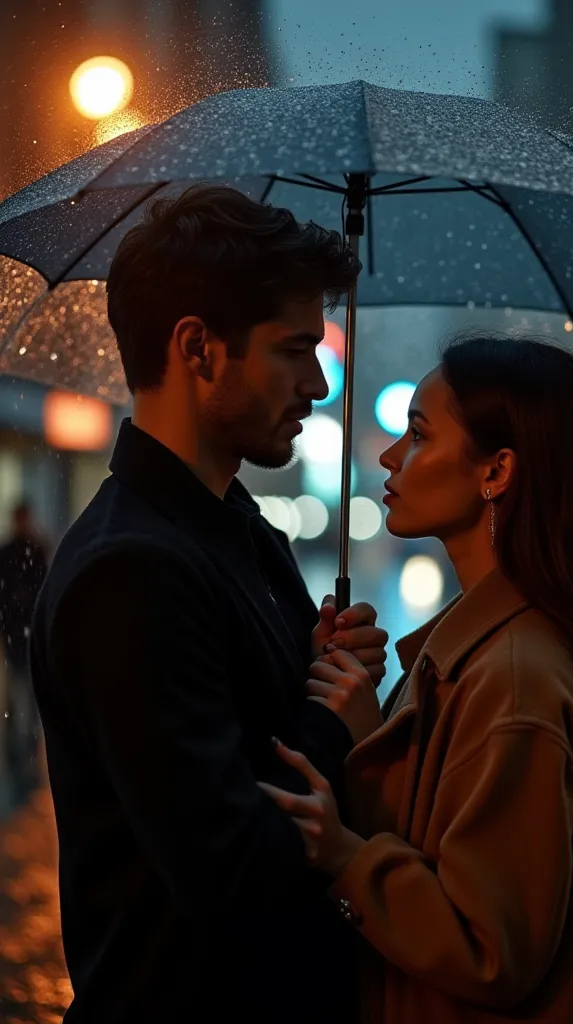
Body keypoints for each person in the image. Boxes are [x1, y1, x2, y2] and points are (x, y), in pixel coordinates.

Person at [29, 185, 388, 1024]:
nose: (318, 381)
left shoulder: (236, 529)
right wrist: (332, 716)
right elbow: (232, 872)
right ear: (198, 348)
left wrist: (321, 663)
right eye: (294, 349)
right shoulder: (133, 571)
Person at [260, 336, 573, 1024]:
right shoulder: (480, 651)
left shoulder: (514, 682)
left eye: (417, 434)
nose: (391, 456)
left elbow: (490, 950)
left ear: (497, 470)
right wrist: (371, 732)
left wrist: (341, 854)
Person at [0, 500, 48, 802]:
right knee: (24, 694)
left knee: (23, 694)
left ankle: (23, 749)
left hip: (20, 634)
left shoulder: (24, 551)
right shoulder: (28, 551)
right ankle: (23, 749)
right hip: (22, 635)